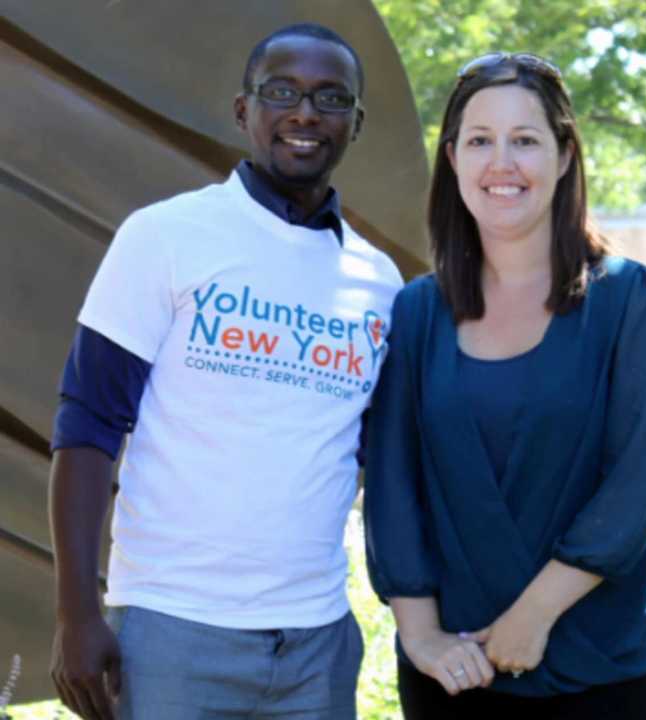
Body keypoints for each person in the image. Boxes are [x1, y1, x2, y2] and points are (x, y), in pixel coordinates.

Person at [48, 23, 403, 720]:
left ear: (355, 124)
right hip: (170, 632)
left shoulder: (380, 282)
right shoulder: (164, 237)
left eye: (331, 99)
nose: (305, 113)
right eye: (282, 92)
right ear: (244, 111)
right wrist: (76, 615)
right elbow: (87, 427)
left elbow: (368, 459)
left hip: (316, 645)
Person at [364, 52, 646, 720]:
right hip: (452, 676)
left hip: (602, 672)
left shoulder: (631, 299)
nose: (501, 163)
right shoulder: (417, 313)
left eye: (526, 140)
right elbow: (392, 484)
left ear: (565, 155)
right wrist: (420, 634)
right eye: (480, 140)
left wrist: (533, 616)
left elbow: (641, 475)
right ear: (452, 159)